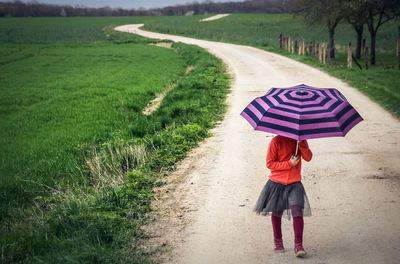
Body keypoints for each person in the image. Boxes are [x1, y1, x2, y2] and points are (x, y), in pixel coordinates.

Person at [254, 135, 312, 258]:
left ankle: (298, 245)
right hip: (276, 183)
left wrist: (302, 144)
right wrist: (289, 164)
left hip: (294, 183)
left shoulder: (300, 141)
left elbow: (308, 157)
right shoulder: (276, 141)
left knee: (297, 211)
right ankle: (278, 241)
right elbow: (270, 164)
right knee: (277, 212)